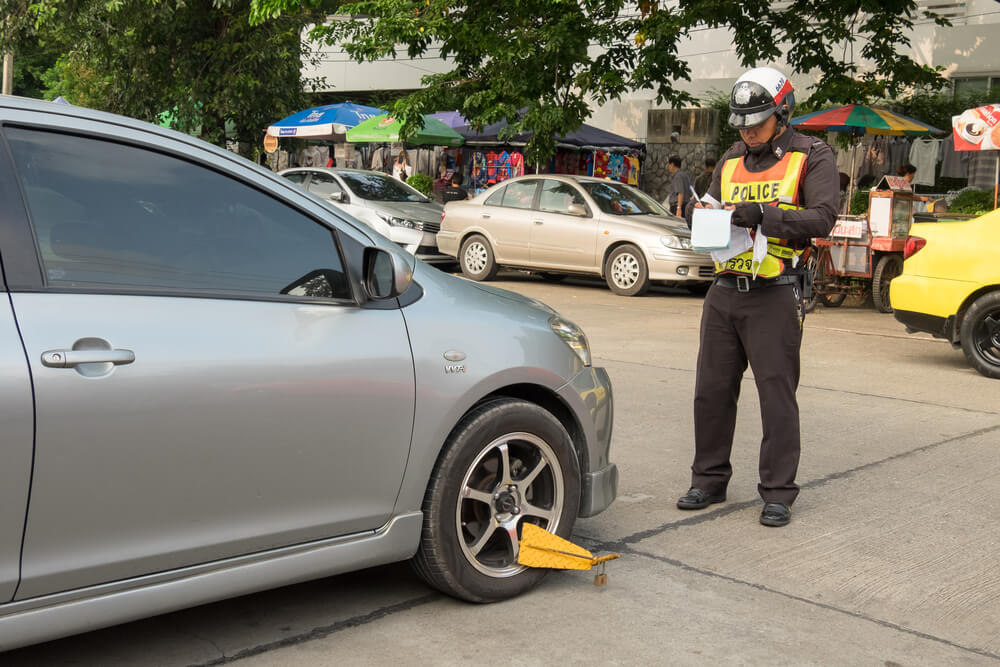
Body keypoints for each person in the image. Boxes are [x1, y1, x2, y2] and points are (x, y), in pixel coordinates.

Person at [679, 67, 838, 527]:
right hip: (724, 290)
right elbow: (711, 206)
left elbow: (823, 218)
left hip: (774, 293)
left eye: (758, 121)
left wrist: (764, 216)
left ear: (783, 113)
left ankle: (778, 491)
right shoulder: (731, 159)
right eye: (742, 123)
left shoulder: (813, 154)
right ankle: (707, 480)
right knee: (710, 392)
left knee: (776, 393)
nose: (748, 131)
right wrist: (700, 214)